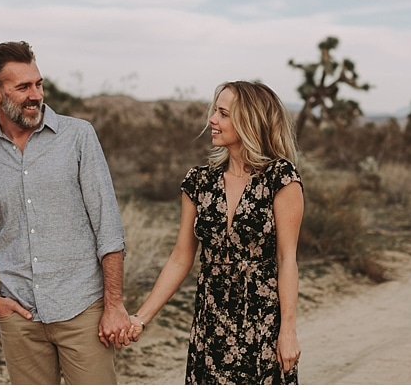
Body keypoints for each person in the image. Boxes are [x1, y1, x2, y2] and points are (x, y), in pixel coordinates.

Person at [0, 41, 138, 384]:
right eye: (23, 87)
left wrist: (114, 305)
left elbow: (108, 227)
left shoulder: (78, 136)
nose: (35, 95)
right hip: (19, 315)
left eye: (38, 84)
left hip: (82, 308)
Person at [124, 80, 304, 383]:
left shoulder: (281, 178)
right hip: (210, 327)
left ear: (249, 121)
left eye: (223, 113)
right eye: (215, 111)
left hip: (262, 326)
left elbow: (288, 260)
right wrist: (141, 318)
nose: (212, 120)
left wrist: (287, 332)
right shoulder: (199, 182)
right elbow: (181, 258)